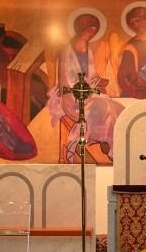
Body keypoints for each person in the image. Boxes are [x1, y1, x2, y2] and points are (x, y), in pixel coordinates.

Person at [46, 12, 123, 162]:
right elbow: (69, 81)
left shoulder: (87, 49)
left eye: (94, 31)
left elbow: (90, 76)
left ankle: (110, 142)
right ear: (81, 28)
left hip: (86, 93)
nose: (92, 34)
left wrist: (98, 81)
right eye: (90, 30)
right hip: (72, 98)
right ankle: (106, 141)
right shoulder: (68, 51)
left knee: (115, 106)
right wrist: (90, 89)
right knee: (104, 105)